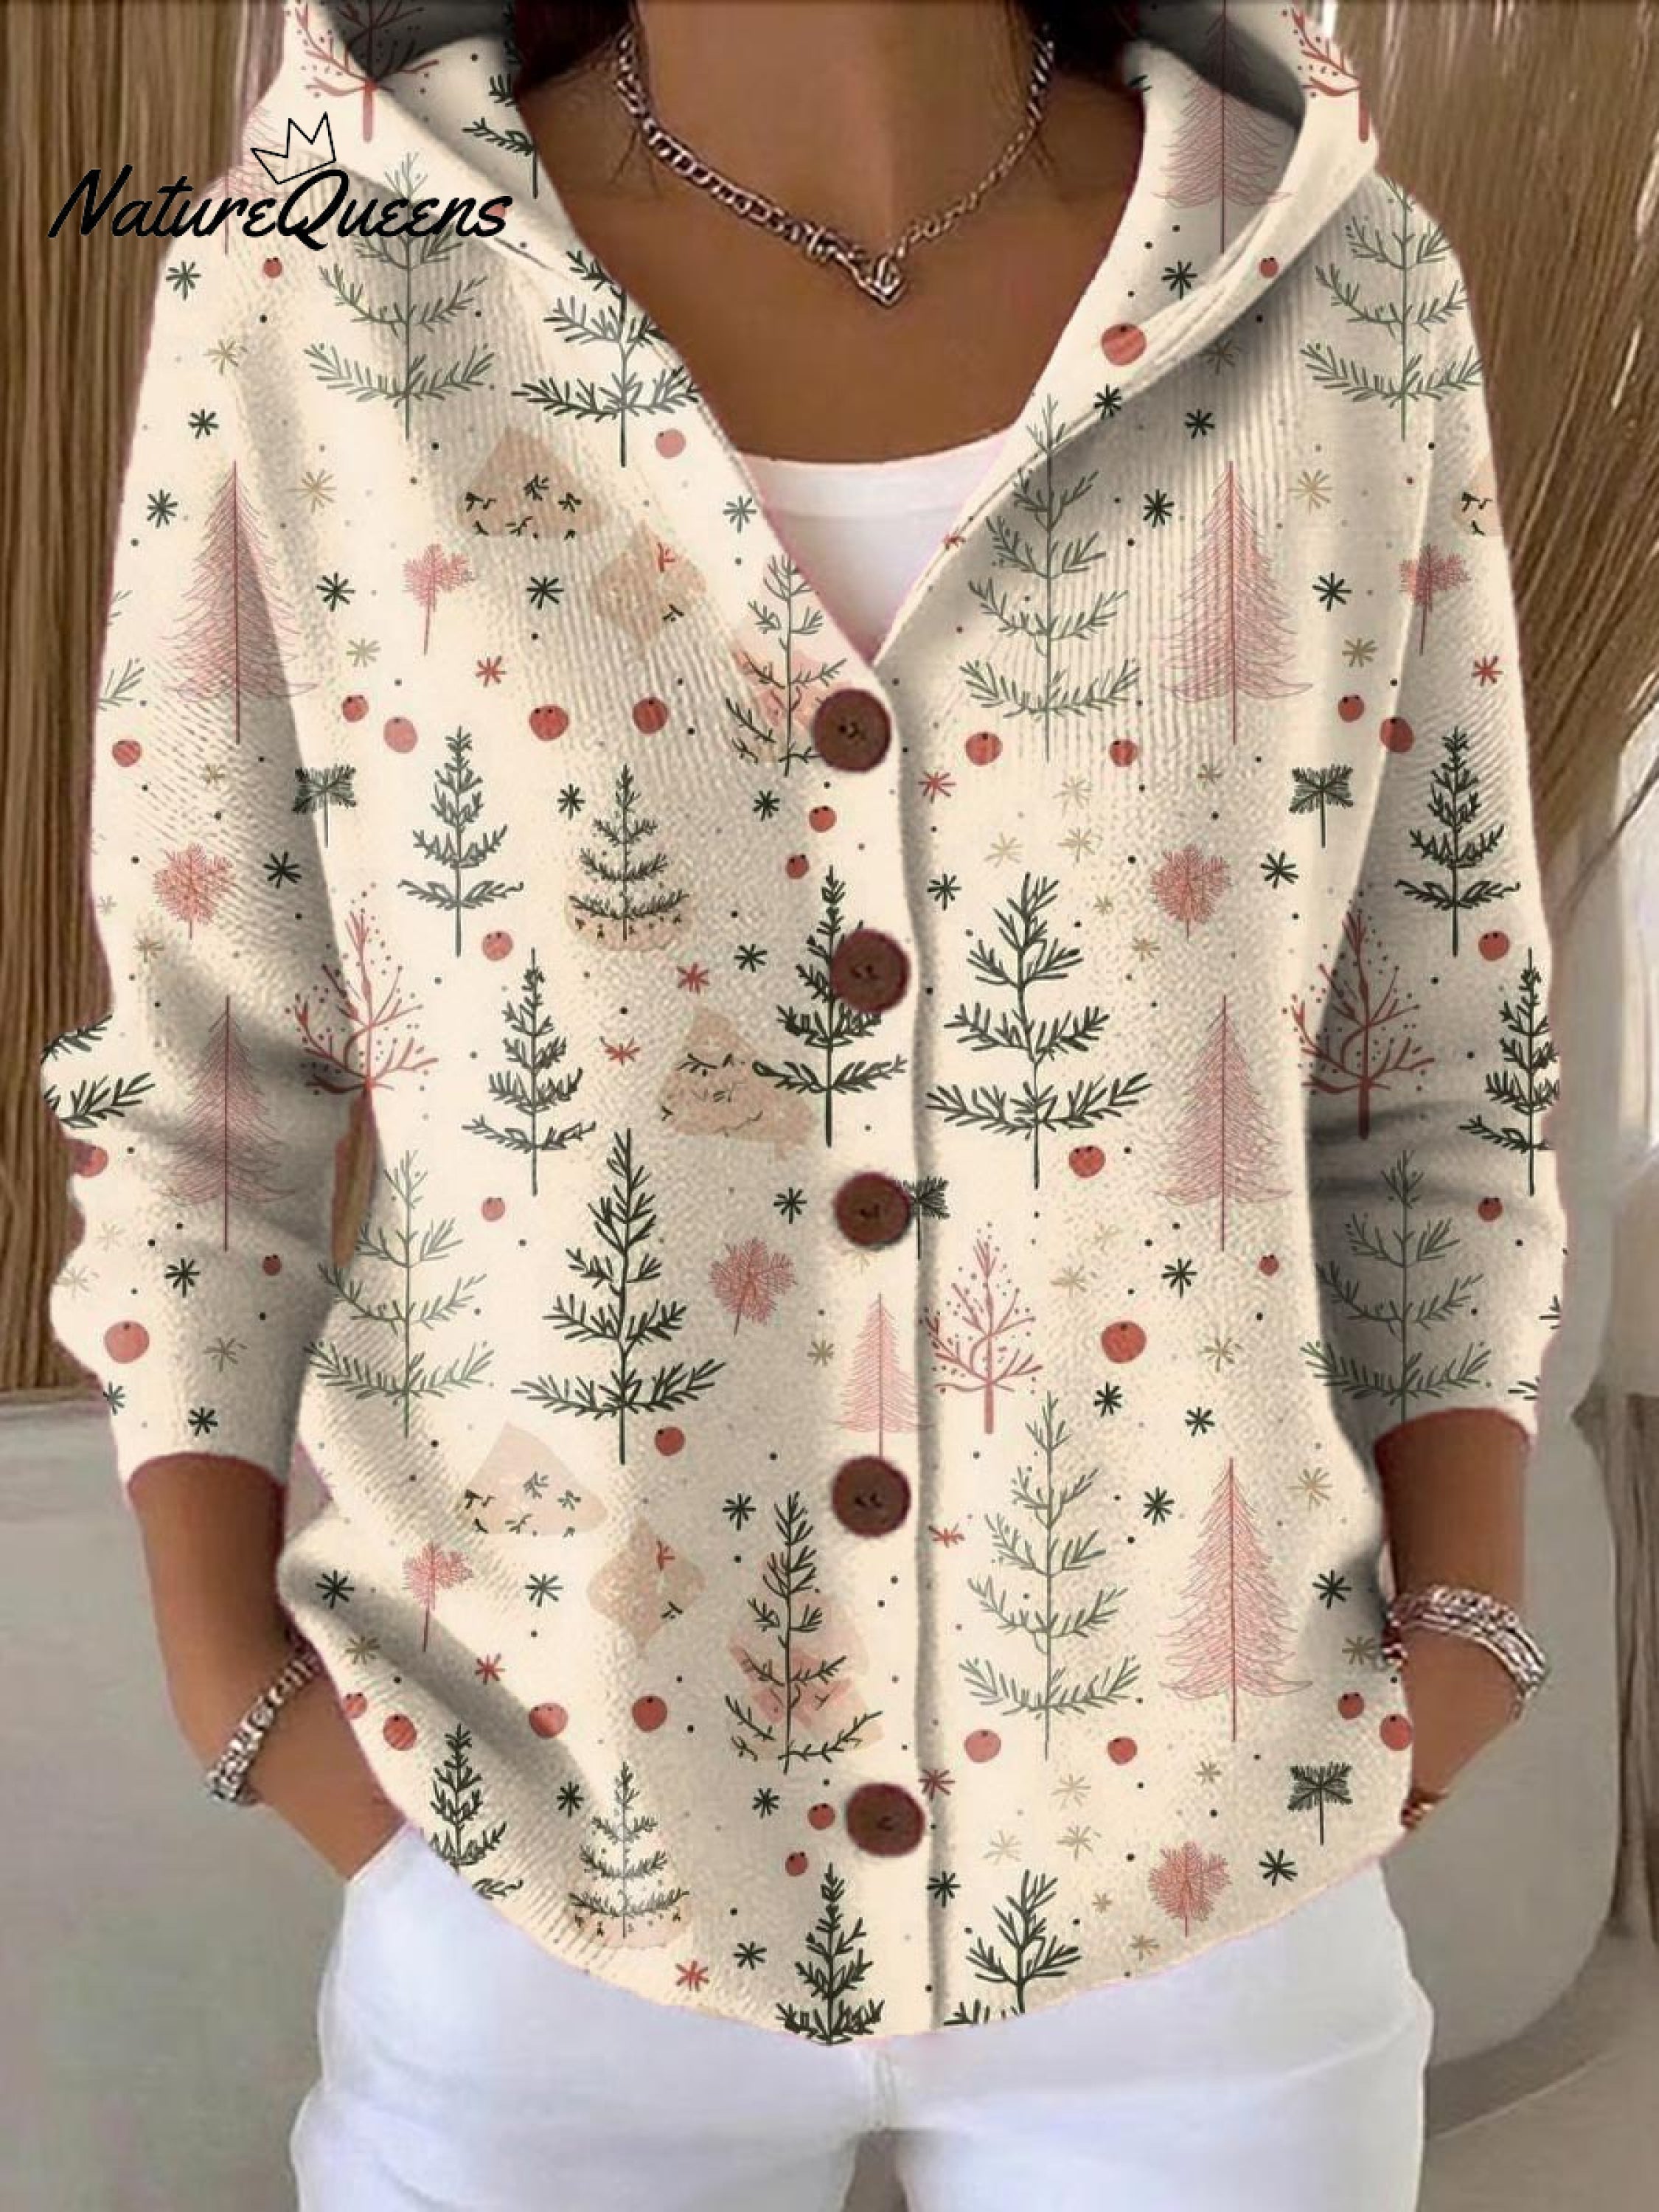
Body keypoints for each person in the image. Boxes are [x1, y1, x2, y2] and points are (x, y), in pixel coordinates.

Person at [39, 1, 1566, 2206]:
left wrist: (1466, 1634)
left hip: (1215, 1901)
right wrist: (246, 1703)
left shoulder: (1333, 286)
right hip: (528, 1878)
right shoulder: (316, 280)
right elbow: (207, 1067)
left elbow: (1434, 1049)